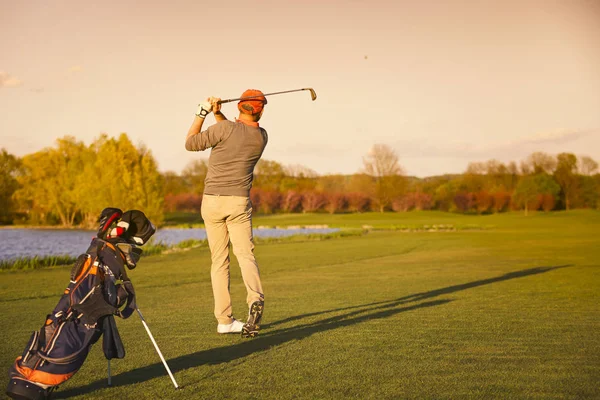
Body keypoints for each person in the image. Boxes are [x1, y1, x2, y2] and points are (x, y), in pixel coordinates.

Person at [185, 89, 268, 338]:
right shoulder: (261, 136)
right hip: (238, 202)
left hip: (212, 202)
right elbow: (234, 133)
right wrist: (217, 113)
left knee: (219, 262)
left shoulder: (224, 130)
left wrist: (202, 112)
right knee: (245, 255)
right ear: (261, 110)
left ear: (240, 107)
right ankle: (255, 298)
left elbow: (191, 143)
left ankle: (224, 320)